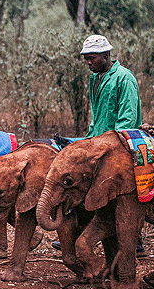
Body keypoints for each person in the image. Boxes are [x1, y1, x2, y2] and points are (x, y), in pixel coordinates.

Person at [52, 34, 146, 255]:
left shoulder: (125, 78)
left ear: (106, 55)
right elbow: (96, 121)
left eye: (92, 58)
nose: (88, 62)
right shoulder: (95, 79)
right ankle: (82, 233)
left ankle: (134, 242)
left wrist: (101, 147)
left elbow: (127, 121)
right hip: (99, 143)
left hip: (118, 148)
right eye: (86, 58)